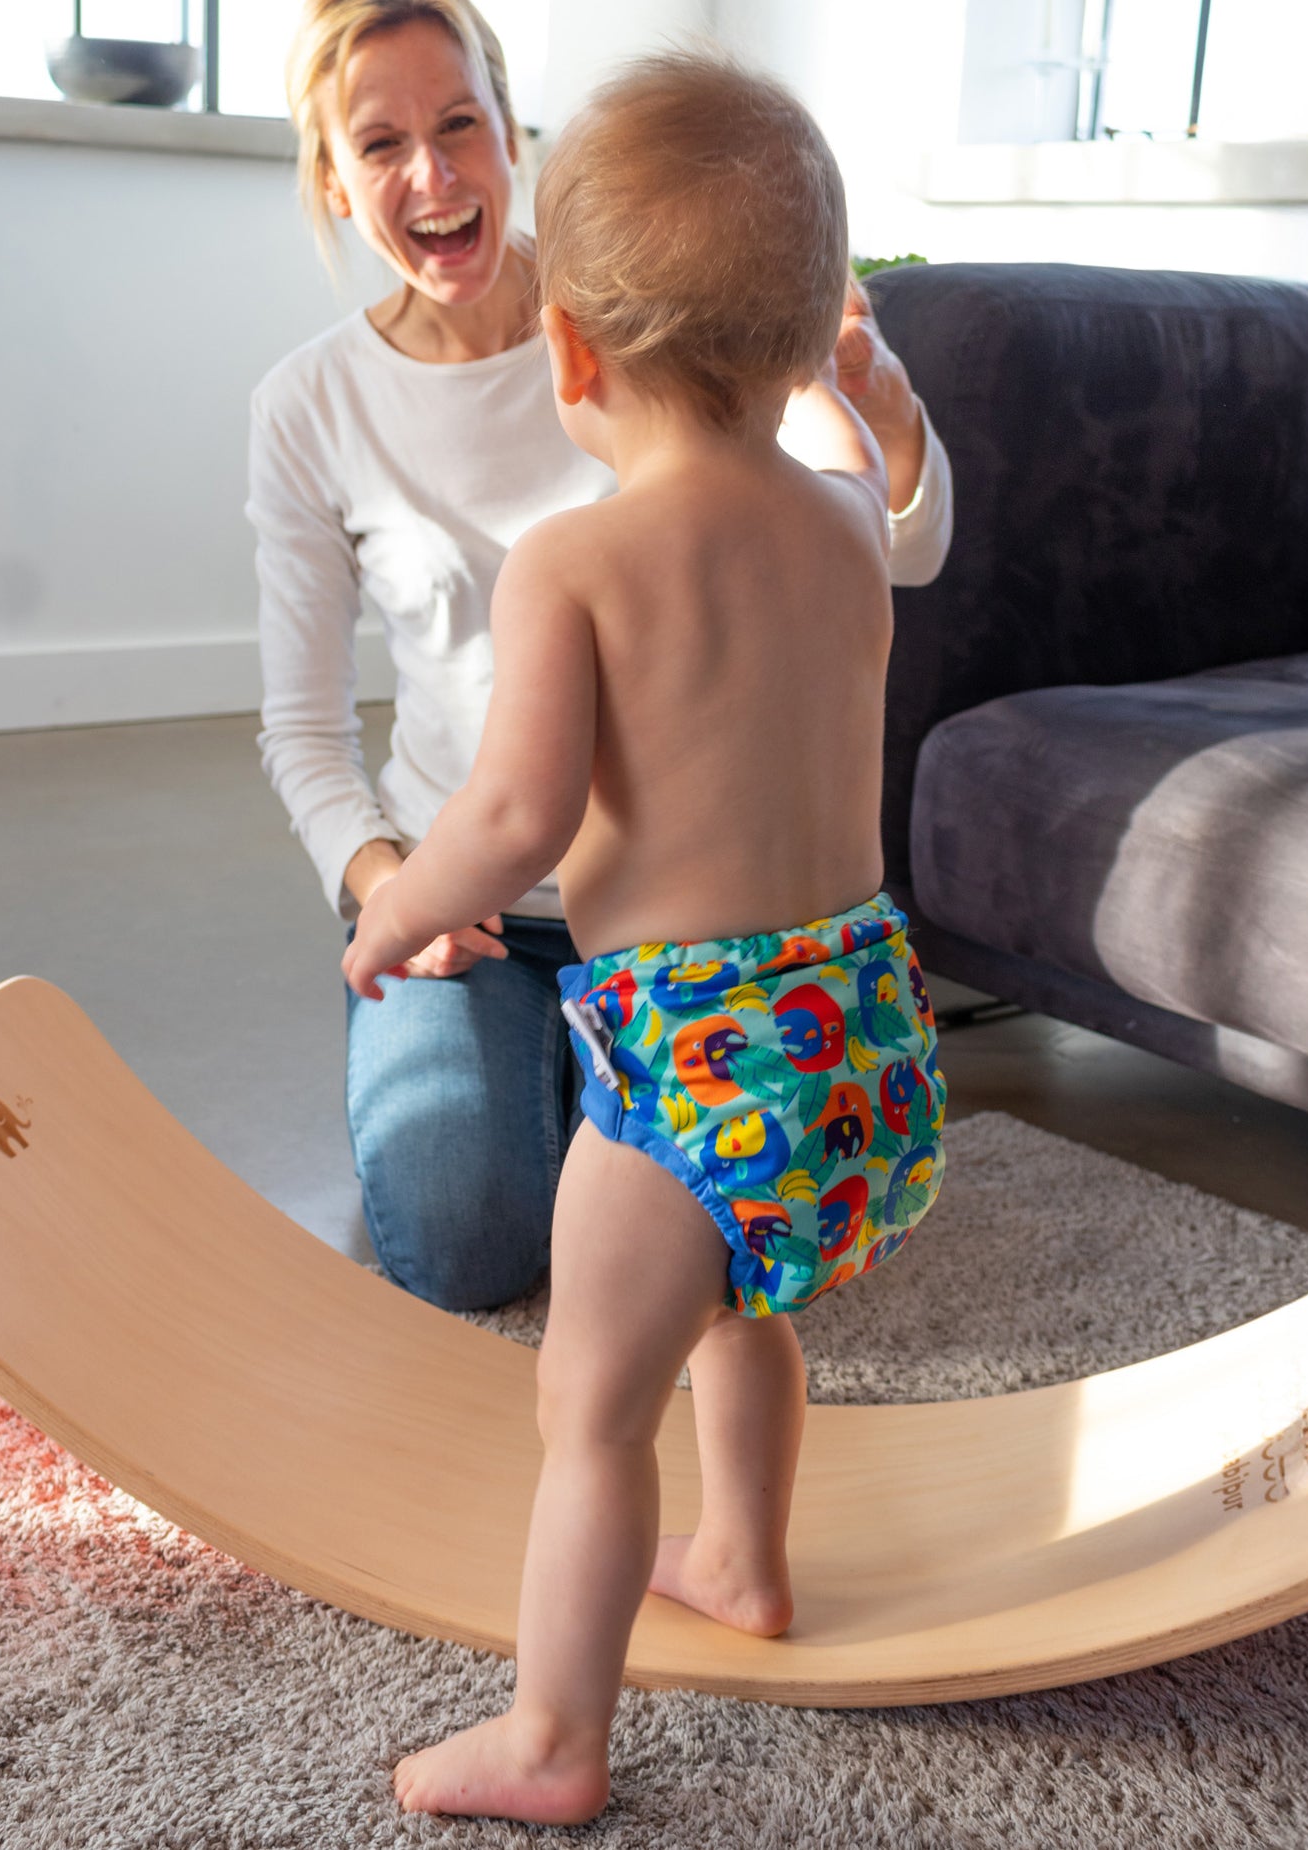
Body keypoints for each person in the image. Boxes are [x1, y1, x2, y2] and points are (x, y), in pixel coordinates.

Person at [342, 49, 947, 1827]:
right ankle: (743, 1558)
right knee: (739, 1311)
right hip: (856, 1043)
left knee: (589, 1408)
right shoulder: (846, 523)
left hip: (687, 1058)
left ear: (571, 352)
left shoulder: (574, 563)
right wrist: (872, 403)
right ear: (803, 341)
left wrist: (398, 901)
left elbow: (514, 822)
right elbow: (866, 494)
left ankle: (553, 1735)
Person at [248, 0, 954, 1313]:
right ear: (334, 179)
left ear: (510, 135)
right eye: (381, 143)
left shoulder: (645, 353)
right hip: (545, 933)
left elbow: (520, 811)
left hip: (678, 960)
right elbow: (305, 733)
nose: (431, 173)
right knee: (532, 1249)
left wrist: (892, 420)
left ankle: (612, 1114)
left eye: (459, 124)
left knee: (594, 1362)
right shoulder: (309, 405)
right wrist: (390, 886)